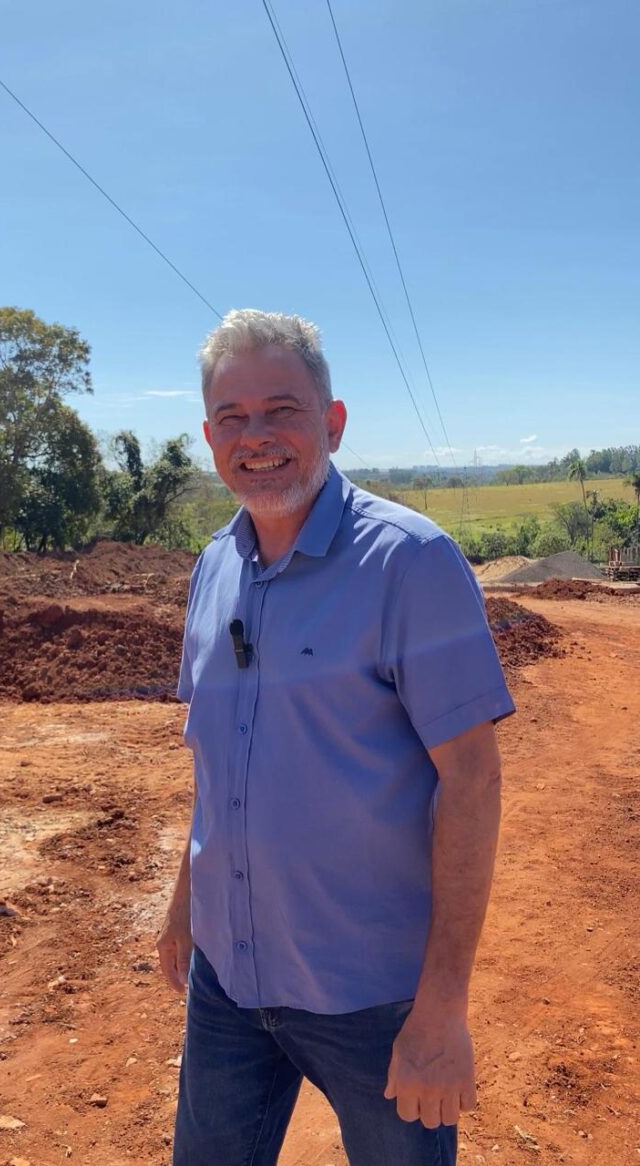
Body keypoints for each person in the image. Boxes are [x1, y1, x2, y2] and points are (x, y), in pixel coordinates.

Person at [157, 309, 516, 1166]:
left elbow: (472, 781)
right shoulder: (213, 568)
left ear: (334, 421)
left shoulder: (409, 563)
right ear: (211, 437)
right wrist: (184, 908)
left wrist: (441, 1011)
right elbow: (217, 762)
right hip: (229, 988)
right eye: (234, 418)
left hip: (376, 1002)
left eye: (282, 408)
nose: (258, 436)